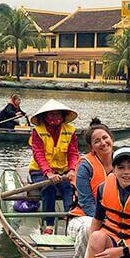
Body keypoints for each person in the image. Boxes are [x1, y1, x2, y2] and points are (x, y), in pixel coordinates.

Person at [28, 99, 79, 234]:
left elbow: (73, 153)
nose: (55, 118)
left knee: (68, 187)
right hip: (39, 171)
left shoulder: (70, 131)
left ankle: (71, 220)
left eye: (58, 114)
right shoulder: (37, 131)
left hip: (63, 170)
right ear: (45, 116)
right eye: (51, 115)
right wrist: (49, 173)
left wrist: (72, 169)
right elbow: (38, 154)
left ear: (62, 116)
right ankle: (49, 224)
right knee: (49, 187)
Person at [68, 118, 114, 258]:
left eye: (105, 138)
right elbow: (86, 202)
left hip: (113, 218)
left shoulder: (122, 162)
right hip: (82, 218)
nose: (103, 143)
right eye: (97, 141)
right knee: (90, 227)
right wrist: (104, 221)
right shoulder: (85, 166)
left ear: (111, 138)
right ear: (91, 147)